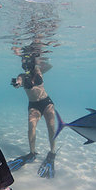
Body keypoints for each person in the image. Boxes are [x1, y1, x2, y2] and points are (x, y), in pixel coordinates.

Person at [7, 38, 57, 178]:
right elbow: (18, 81)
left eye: (27, 61)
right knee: (31, 128)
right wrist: (17, 84)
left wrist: (38, 60)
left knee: (51, 127)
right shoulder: (21, 76)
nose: (25, 64)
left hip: (46, 103)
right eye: (23, 62)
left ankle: (52, 152)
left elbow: (50, 65)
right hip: (33, 105)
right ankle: (32, 152)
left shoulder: (38, 70)